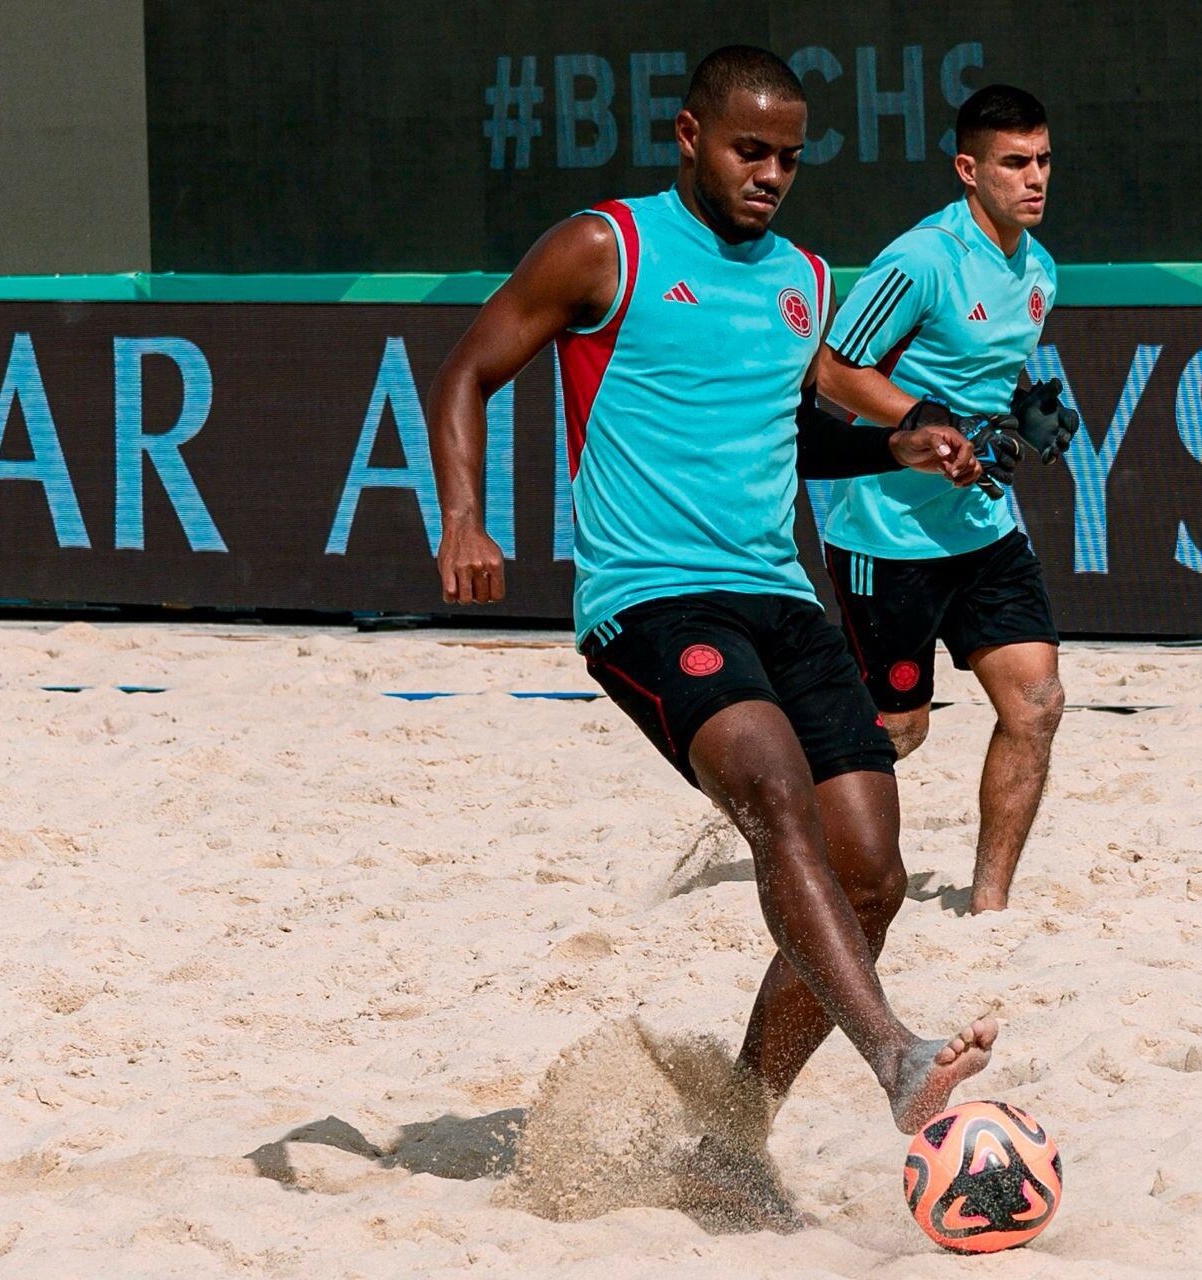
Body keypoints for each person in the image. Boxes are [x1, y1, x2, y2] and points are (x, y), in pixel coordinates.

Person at [426, 46, 998, 1222]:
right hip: (648, 595)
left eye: (789, 157)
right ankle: (893, 1053)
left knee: (873, 874)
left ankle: (727, 1138)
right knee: (772, 791)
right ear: (689, 134)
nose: (771, 174)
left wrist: (893, 442)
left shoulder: (800, 275)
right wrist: (466, 518)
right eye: (751, 150)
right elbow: (466, 371)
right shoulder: (606, 247)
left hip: (780, 595)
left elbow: (782, 425)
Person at [815, 84, 1078, 915]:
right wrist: (928, 424)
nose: (1034, 178)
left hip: (983, 525)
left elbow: (988, 374)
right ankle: (782, 798)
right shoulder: (921, 259)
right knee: (900, 732)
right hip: (885, 535)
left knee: (1036, 704)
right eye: (1013, 163)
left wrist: (1022, 407)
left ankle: (989, 907)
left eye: (1041, 160)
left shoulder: (1040, 271)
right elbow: (834, 370)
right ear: (968, 169)